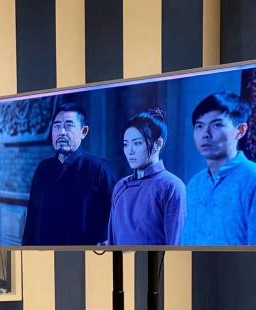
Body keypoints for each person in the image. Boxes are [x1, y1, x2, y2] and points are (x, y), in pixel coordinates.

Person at [182, 91, 256, 245]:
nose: (205, 134)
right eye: (199, 126)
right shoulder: (195, 184)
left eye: (217, 125)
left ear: (240, 130)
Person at [22, 102, 115, 246]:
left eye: (69, 126)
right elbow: (31, 220)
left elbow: (113, 220)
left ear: (83, 132)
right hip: (43, 255)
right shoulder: (43, 168)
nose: (61, 132)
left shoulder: (99, 169)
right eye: (57, 126)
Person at [108, 109, 186, 245]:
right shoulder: (120, 187)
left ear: (158, 144)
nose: (130, 151)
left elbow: (176, 244)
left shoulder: (172, 186)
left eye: (137, 143)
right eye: (126, 144)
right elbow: (112, 241)